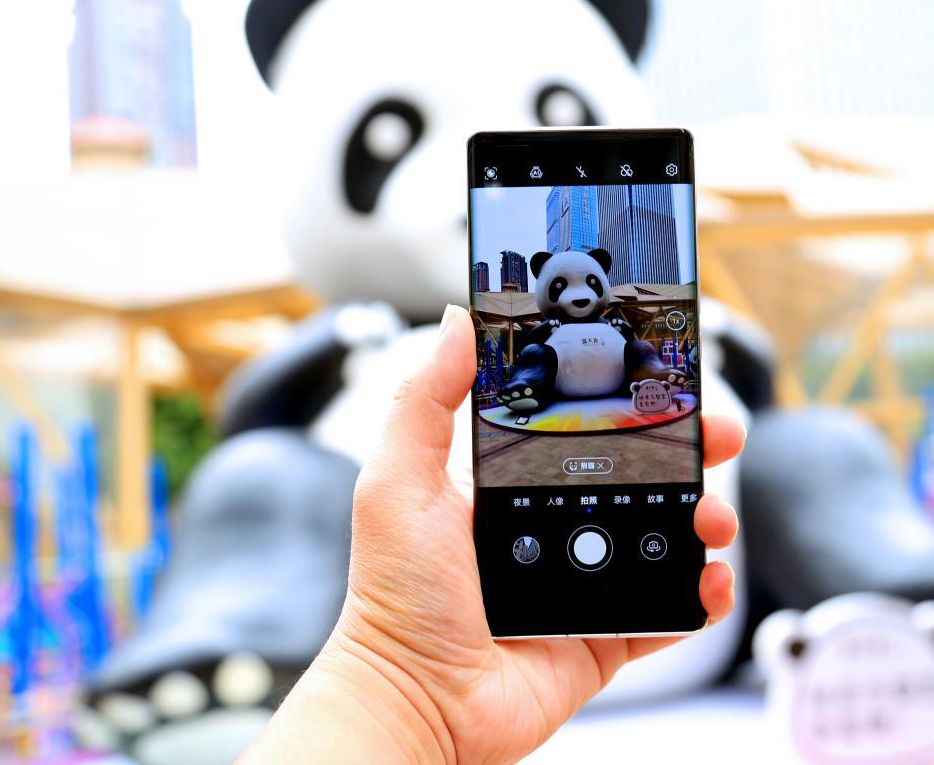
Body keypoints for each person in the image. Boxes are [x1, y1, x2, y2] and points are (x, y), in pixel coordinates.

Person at [240, 305, 745, 763]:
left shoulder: (621, 320)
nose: (577, 294)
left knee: (649, 361)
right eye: (562, 284)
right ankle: (529, 386)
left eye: (589, 282)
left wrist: (400, 697)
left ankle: (649, 378)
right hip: (551, 394)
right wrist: (402, 678)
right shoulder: (529, 327)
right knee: (533, 357)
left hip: (625, 391)